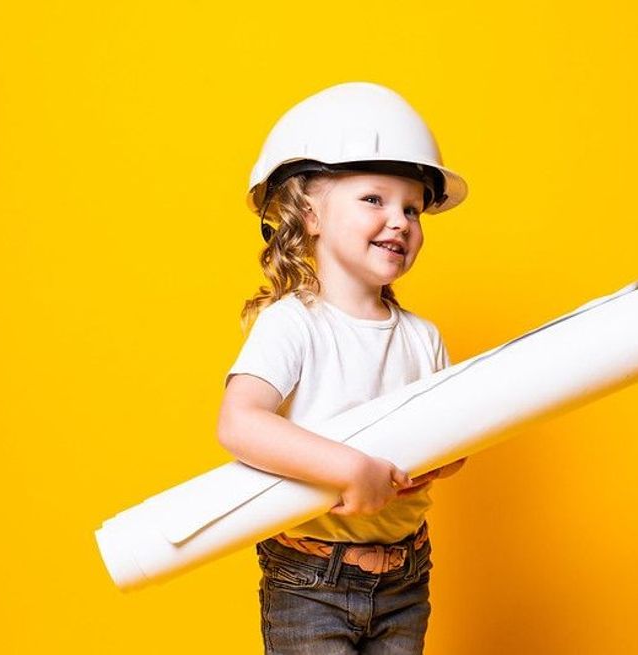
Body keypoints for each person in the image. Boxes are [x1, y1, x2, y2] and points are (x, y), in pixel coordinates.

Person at [216, 81, 469, 655]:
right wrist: (350, 468)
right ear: (310, 214)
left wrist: (443, 461)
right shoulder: (293, 324)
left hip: (406, 574)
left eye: (412, 207)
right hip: (311, 582)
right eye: (375, 200)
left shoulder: (422, 337)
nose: (401, 221)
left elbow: (458, 435)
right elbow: (239, 424)